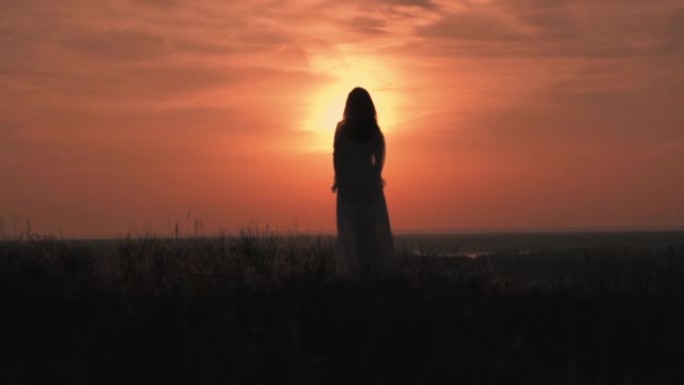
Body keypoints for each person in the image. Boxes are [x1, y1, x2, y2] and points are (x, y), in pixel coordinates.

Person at [332, 87, 394, 279]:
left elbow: (337, 157)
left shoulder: (342, 131)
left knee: (351, 231)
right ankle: (373, 274)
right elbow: (379, 160)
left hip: (350, 189)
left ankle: (354, 273)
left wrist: (339, 178)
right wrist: (373, 177)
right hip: (368, 189)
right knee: (370, 231)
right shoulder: (375, 132)